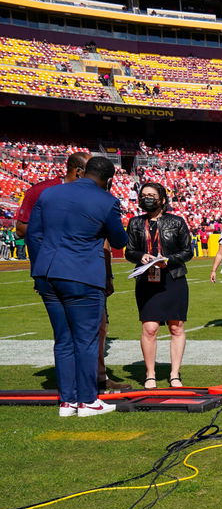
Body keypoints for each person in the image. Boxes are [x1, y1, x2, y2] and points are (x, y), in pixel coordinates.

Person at [24, 156, 127, 417]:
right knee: (86, 339)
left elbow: (33, 234)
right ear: (109, 179)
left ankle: (67, 402)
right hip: (82, 274)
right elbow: (118, 240)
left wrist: (41, 268)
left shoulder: (50, 194)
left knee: (63, 339)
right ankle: (88, 400)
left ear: (84, 171)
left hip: (47, 272)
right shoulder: (107, 201)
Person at [125, 182, 193, 388]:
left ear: (162, 199)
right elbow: (128, 251)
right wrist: (140, 255)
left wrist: (169, 260)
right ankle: (150, 374)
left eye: (152, 195)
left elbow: (188, 251)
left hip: (173, 278)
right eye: (144, 195)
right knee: (150, 328)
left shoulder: (177, 222)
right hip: (147, 280)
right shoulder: (135, 223)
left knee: (176, 327)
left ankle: (174, 373)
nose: (147, 198)